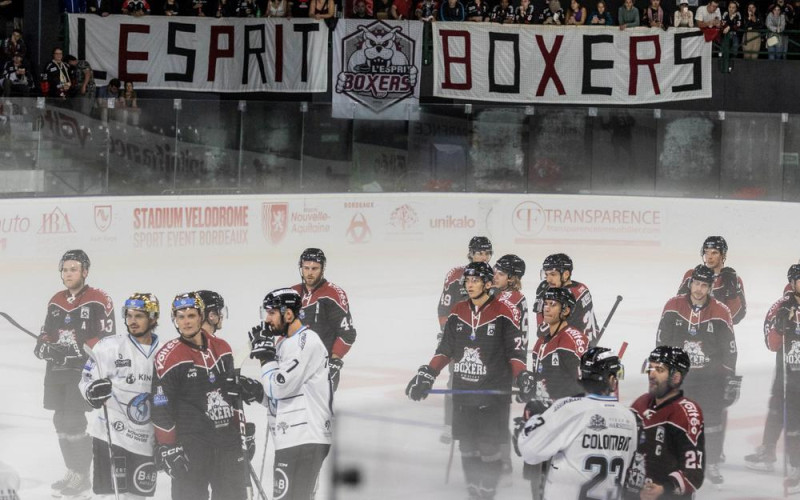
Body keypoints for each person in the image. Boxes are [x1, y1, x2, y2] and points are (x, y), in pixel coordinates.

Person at [406, 261, 532, 500]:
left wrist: (522, 375)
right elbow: (445, 350)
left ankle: (488, 492)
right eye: (468, 280)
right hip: (463, 393)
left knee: (488, 447)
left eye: (475, 280)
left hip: (492, 396)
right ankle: (474, 491)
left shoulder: (504, 312)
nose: (470, 284)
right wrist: (428, 374)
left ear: (488, 283)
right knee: (467, 446)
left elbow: (515, 353)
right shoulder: (457, 311)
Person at [152, 292, 258, 500]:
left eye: (191, 316)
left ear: (201, 316)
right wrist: (168, 447)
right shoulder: (168, 356)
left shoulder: (223, 349)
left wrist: (242, 429)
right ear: (175, 320)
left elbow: (233, 397)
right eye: (180, 317)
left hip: (226, 441)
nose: (186, 322)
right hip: (191, 446)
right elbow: (160, 406)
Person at [34, 249, 116, 498]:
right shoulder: (55, 301)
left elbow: (107, 338)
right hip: (57, 372)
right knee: (60, 421)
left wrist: (77, 349)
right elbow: (46, 333)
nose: (68, 274)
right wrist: (45, 347)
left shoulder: (99, 299)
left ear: (85, 272)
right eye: (65, 269)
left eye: (74, 269)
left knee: (73, 421)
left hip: (81, 373)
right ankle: (72, 470)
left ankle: (82, 475)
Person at [516, 347, 637, 500]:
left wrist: (533, 419)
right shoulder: (628, 418)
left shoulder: (569, 409)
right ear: (612, 379)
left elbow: (530, 451)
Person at [657, 264, 737, 486]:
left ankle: (710, 462)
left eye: (704, 285)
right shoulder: (672, 306)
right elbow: (662, 343)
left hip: (711, 379)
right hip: (680, 377)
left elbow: (730, 349)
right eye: (696, 283)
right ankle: (676, 461)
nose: (699, 289)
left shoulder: (721, 311)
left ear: (710, 287)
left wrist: (731, 378)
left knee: (712, 421)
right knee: (676, 419)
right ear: (690, 283)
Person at [248, 288, 332, 500]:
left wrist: (266, 359)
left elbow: (279, 387)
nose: (267, 319)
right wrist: (256, 392)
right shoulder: (284, 344)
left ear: (288, 314)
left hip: (306, 437)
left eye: (271, 313)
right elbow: (282, 396)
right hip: (293, 438)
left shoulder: (306, 341)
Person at [79, 293, 161, 499]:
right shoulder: (109, 346)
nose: (132, 321)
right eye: (129, 315)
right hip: (111, 435)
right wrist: (92, 391)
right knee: (108, 496)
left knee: (137, 497)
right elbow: (86, 379)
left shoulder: (163, 352)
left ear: (153, 318)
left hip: (145, 440)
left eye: (139, 316)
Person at [626, 346, 705, 500]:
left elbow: (694, 474)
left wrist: (664, 489)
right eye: (650, 368)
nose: (651, 374)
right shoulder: (640, 404)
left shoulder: (686, 413)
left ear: (676, 377)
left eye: (659, 370)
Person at [745, 265, 800, 482]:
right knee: (778, 408)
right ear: (792, 282)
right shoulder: (780, 307)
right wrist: (780, 326)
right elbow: (771, 344)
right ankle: (768, 451)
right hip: (787, 372)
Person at [436, 236, 493, 443]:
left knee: (484, 380)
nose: (483, 257)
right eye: (479, 253)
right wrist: (450, 334)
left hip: (485, 340)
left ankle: (480, 425)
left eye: (487, 253)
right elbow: (444, 309)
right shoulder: (455, 275)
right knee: (455, 380)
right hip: (460, 339)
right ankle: (450, 425)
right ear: (470, 254)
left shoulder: (494, 277)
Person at [291, 248, 356, 392]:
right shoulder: (292, 293)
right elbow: (283, 329)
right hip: (293, 365)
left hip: (322, 366)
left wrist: (335, 360)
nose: (310, 272)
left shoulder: (333, 294)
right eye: (306, 268)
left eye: (314, 268)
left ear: (322, 269)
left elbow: (347, 333)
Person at [677, 236, 746, 325]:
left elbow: (736, 318)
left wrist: (732, 294)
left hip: (718, 331)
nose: (709, 257)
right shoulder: (691, 275)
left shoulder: (733, 279)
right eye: (706, 252)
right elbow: (678, 307)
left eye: (714, 253)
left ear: (723, 255)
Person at [536, 253, 599, 345]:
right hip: (589, 341)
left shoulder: (565, 297)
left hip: (576, 348)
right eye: (546, 274)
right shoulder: (581, 287)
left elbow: (542, 332)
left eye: (553, 274)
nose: (548, 280)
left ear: (566, 274)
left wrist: (539, 302)